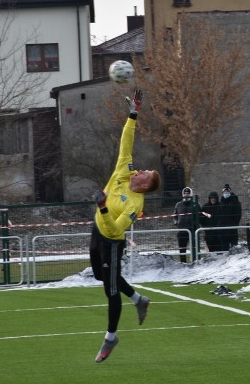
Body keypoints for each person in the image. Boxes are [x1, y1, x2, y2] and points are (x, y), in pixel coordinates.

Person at [89, 90, 161, 363]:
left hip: (111, 242)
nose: (141, 170)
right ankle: (138, 299)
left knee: (110, 290)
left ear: (144, 185)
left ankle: (110, 337)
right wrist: (133, 115)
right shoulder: (125, 170)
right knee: (102, 278)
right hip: (96, 231)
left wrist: (104, 207)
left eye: (146, 174)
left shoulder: (135, 204)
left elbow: (116, 230)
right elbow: (126, 142)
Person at [174, 187, 202, 262]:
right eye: (185, 193)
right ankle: (183, 263)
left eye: (188, 193)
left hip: (192, 230)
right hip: (182, 230)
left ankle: (195, 261)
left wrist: (196, 225)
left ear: (191, 194)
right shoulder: (178, 204)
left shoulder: (195, 204)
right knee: (182, 248)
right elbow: (175, 216)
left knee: (194, 247)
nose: (186, 195)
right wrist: (176, 222)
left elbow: (199, 216)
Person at [220, 183, 242, 249]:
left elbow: (238, 214)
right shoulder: (221, 201)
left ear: (230, 192)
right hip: (223, 228)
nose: (226, 193)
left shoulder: (235, 202)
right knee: (224, 247)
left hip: (233, 227)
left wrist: (235, 224)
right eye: (225, 191)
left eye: (227, 191)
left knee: (234, 246)